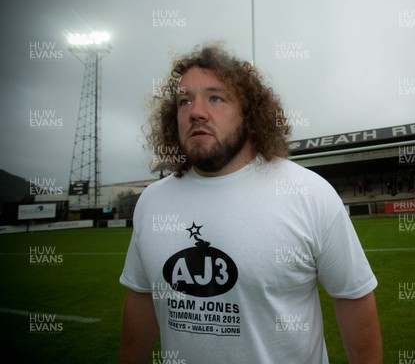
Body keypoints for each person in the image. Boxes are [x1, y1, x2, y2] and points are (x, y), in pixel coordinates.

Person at [118, 43, 382, 364]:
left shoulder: (308, 193)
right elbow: (142, 297)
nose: (196, 111)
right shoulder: (153, 200)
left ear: (249, 113)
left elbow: (353, 298)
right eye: (184, 101)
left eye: (216, 98)